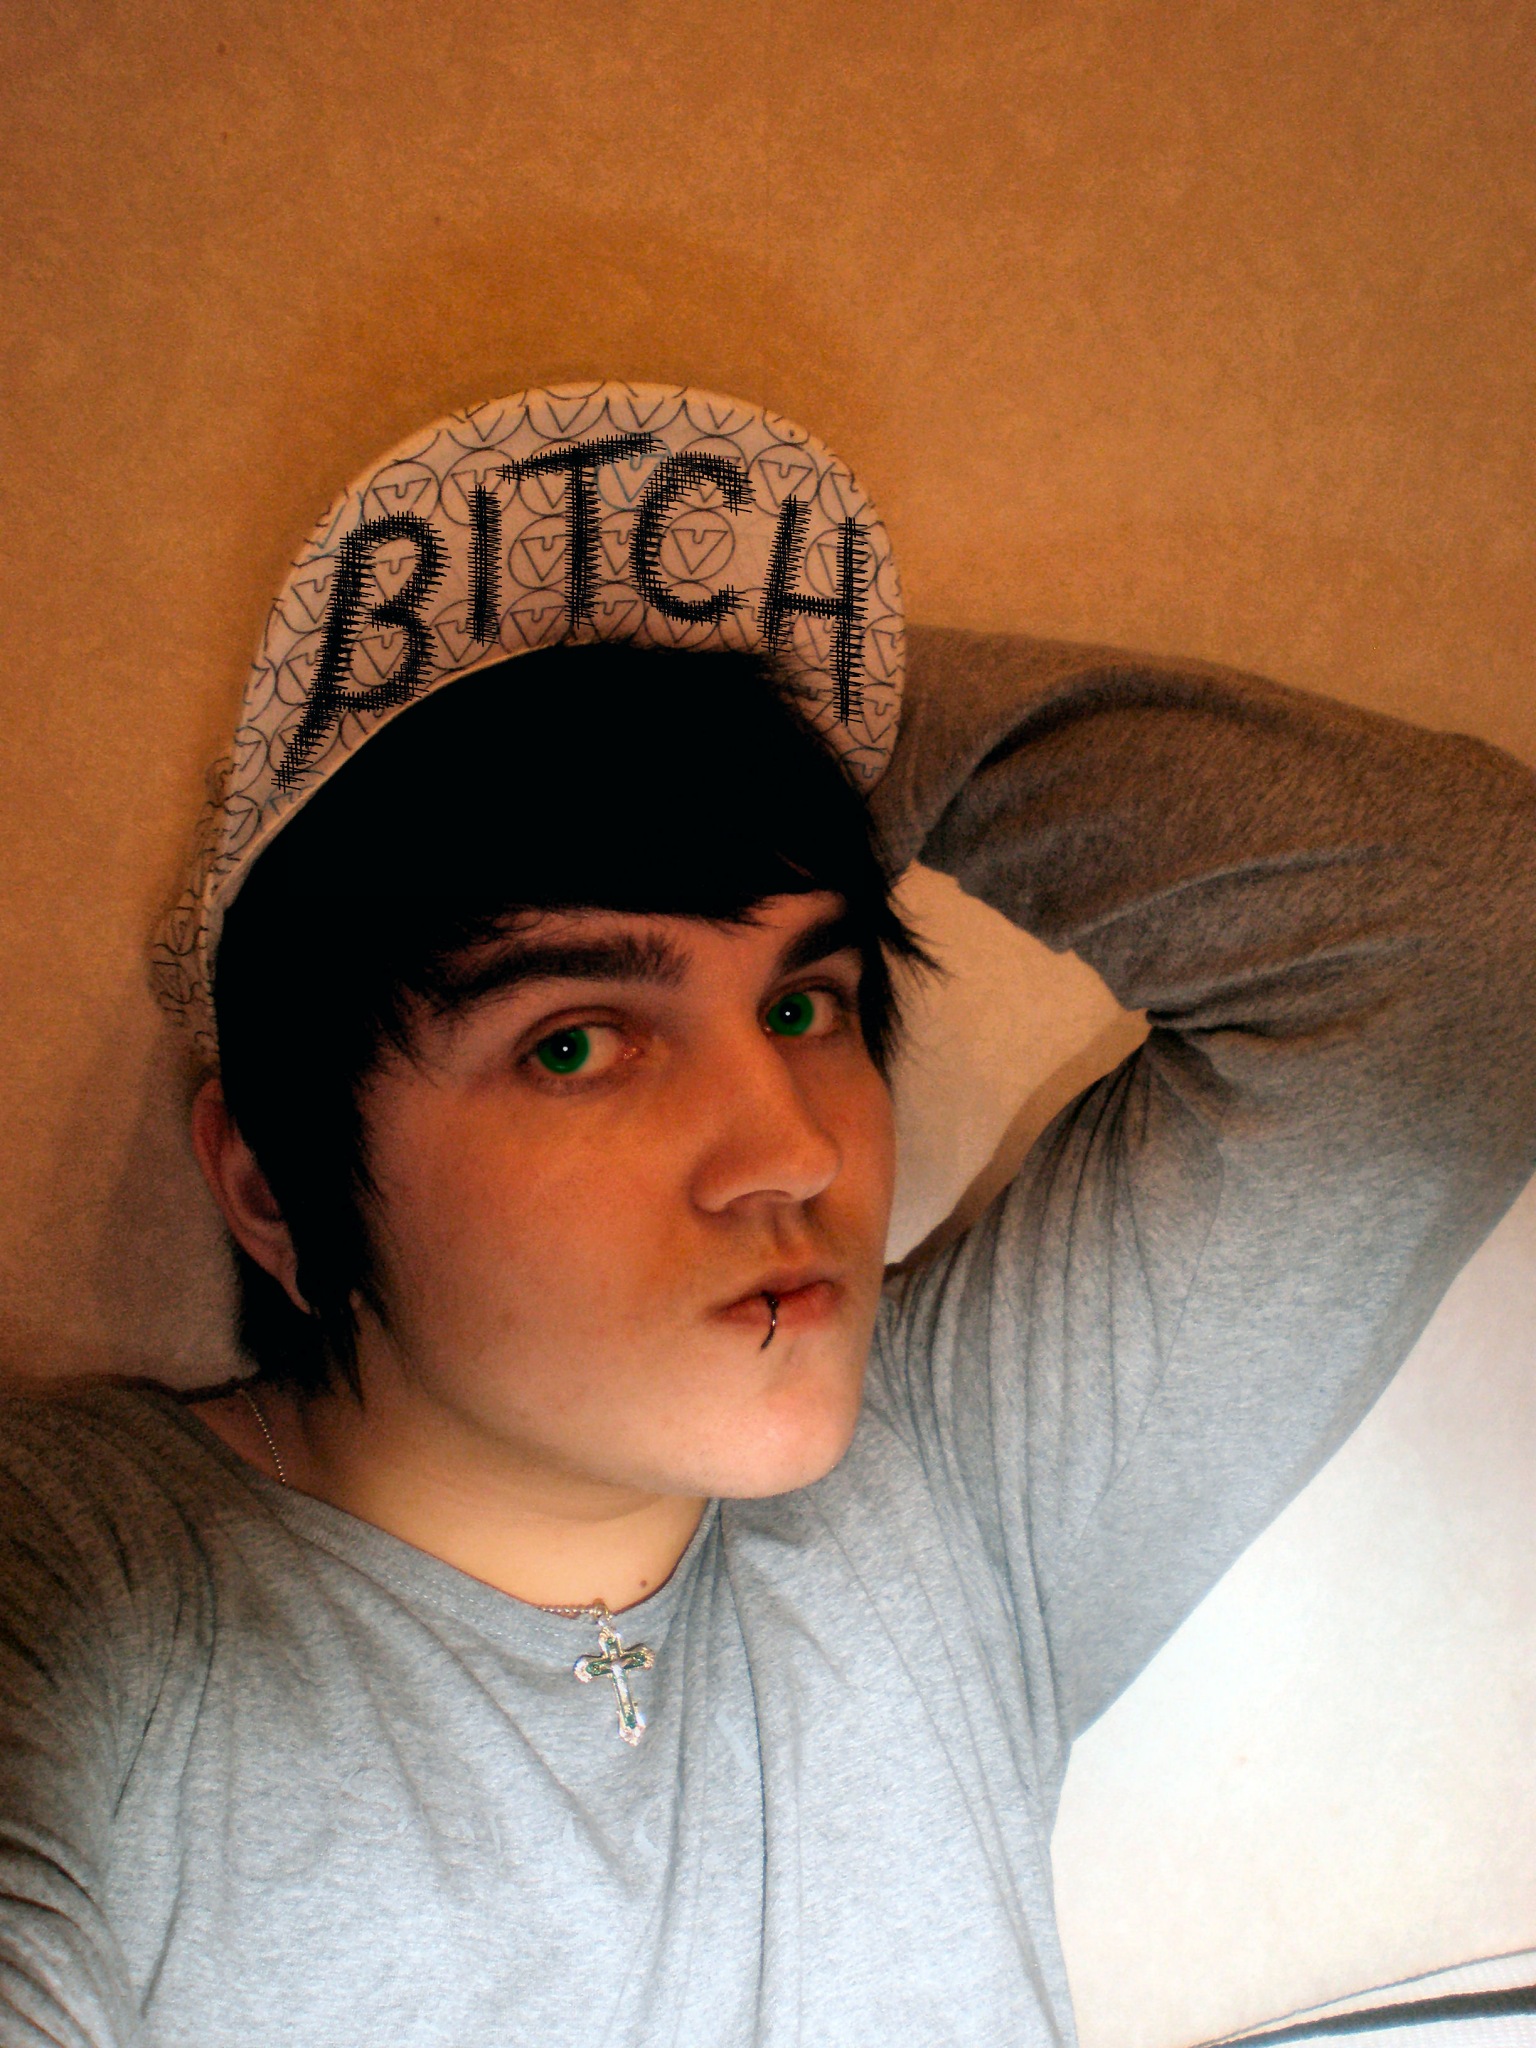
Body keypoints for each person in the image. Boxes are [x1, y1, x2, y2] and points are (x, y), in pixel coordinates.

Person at [2, 385, 1534, 2048]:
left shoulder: (947, 1486)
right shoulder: (78, 1588)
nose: (794, 1149)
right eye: (576, 1044)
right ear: (272, 1187)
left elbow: (1470, 931)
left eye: (807, 1005)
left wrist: (783, 746)